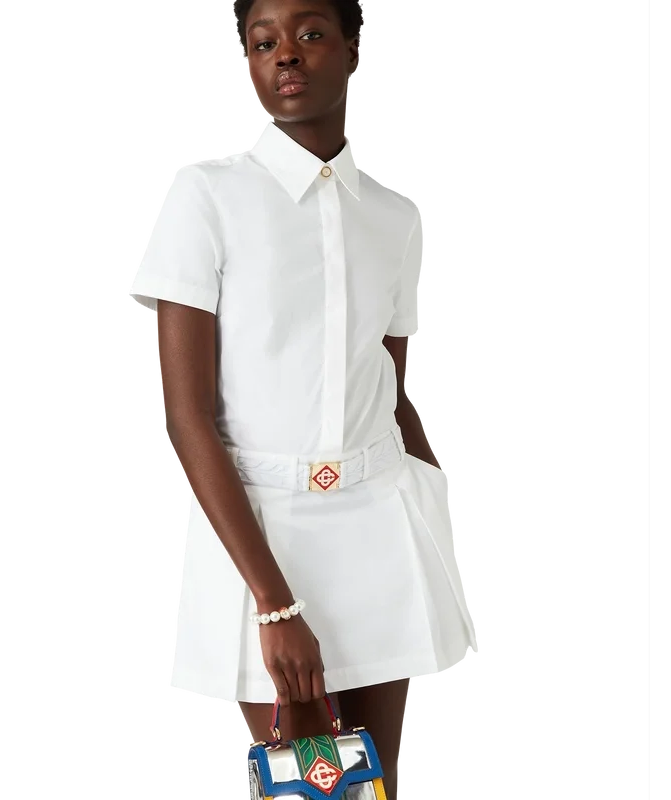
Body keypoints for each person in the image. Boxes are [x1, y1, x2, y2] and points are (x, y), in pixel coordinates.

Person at [128, 0, 479, 796]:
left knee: (375, 783)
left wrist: (434, 510)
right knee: (312, 786)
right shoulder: (203, 193)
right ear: (249, 63)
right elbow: (188, 416)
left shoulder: (394, 214)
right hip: (263, 529)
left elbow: (388, 384)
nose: (285, 54)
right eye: (264, 42)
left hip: (379, 519)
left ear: (353, 51)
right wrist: (276, 607)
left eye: (310, 34)